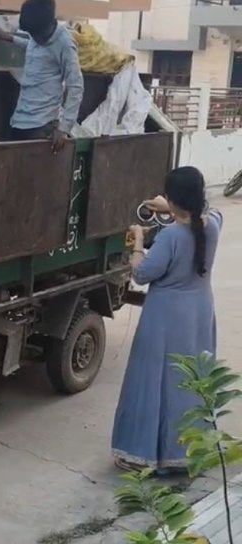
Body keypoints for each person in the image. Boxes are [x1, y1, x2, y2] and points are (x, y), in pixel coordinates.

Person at [111, 166, 222, 474]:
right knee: (189, 382)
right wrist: (172, 208)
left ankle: (142, 455)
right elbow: (204, 214)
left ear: (172, 199)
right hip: (199, 313)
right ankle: (189, 451)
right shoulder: (212, 225)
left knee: (153, 382)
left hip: (165, 318)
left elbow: (142, 272)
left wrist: (137, 240)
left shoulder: (171, 236)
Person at [0, 0, 84, 151]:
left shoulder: (64, 43)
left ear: (50, 24)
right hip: (20, 120)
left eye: (37, 36)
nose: (36, 39)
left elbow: (76, 85)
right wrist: (9, 38)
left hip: (42, 126)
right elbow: (34, 48)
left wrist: (64, 128)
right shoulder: (37, 37)